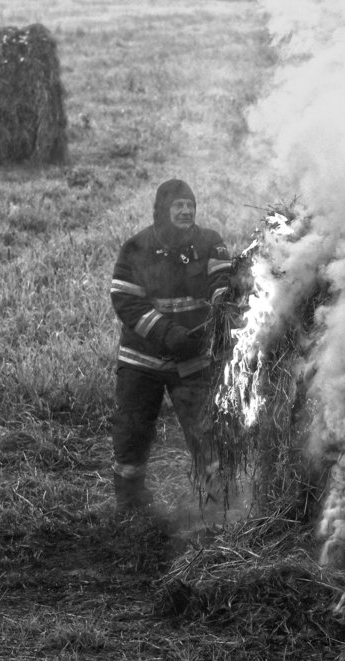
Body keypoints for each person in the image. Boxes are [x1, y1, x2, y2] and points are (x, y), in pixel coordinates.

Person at [108, 178, 233, 512]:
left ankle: (218, 508)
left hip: (193, 361)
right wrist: (166, 332)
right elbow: (125, 300)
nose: (186, 210)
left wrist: (223, 300)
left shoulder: (210, 243)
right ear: (162, 210)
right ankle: (130, 509)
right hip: (141, 361)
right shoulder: (135, 248)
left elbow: (223, 282)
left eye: (190, 204)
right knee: (132, 435)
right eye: (178, 205)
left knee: (207, 435)